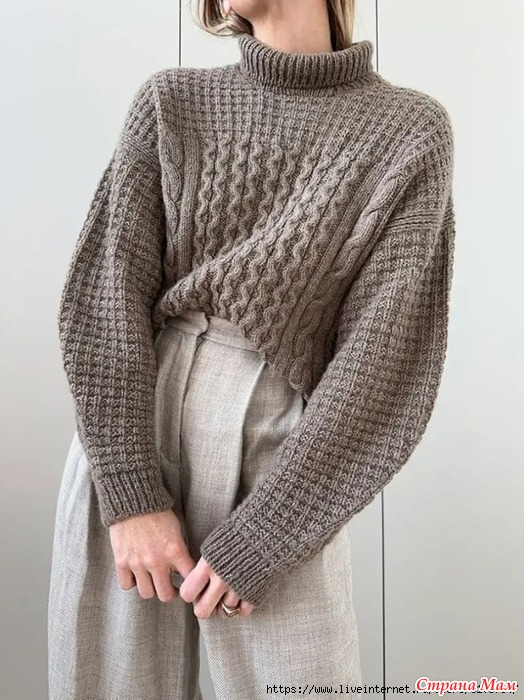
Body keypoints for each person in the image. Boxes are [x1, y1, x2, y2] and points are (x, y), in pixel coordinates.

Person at [48, 0, 456, 698]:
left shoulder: (409, 130)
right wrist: (129, 490)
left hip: (281, 450)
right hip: (134, 419)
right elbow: (103, 298)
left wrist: (269, 534)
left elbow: (386, 362)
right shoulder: (172, 103)